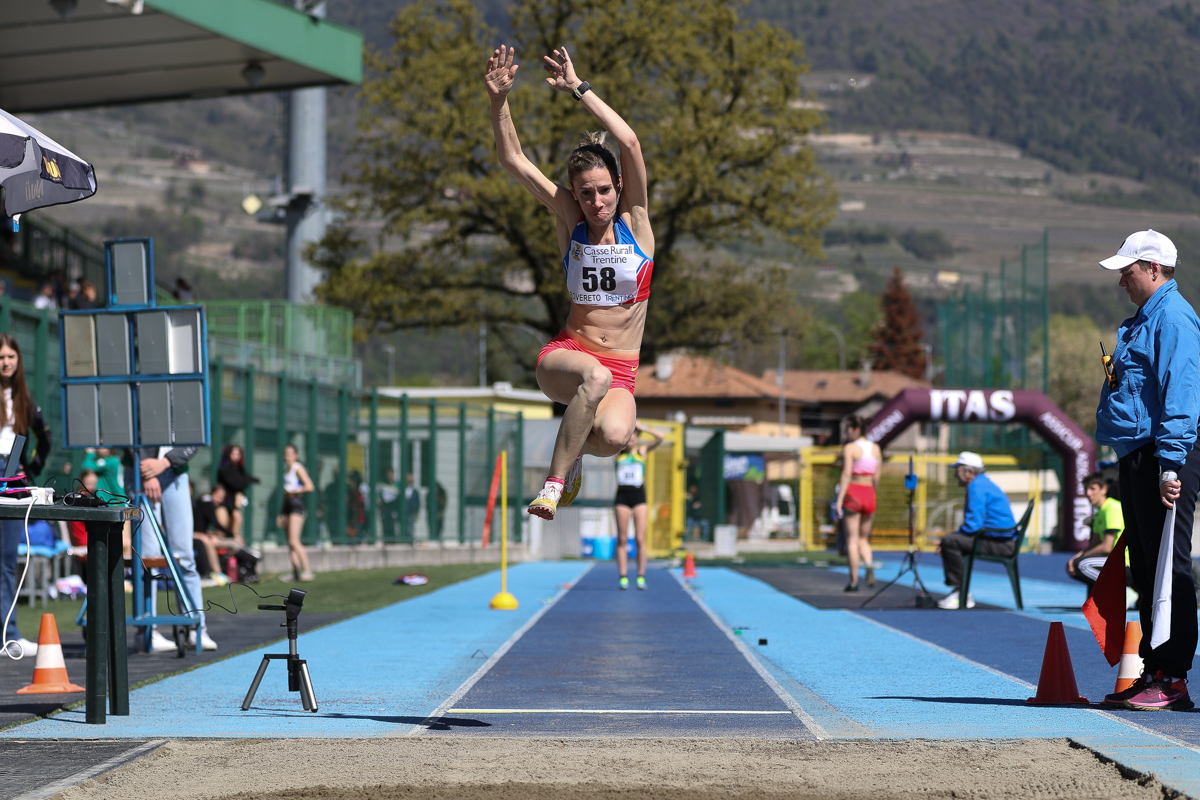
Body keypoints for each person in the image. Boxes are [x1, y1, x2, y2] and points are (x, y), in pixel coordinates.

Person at [485, 44, 653, 521]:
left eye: (604, 190)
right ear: (574, 195)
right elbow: (514, 159)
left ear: (618, 185)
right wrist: (499, 101)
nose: (596, 202)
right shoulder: (570, 219)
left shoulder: (636, 223)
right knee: (593, 376)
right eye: (585, 194)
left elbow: (630, 141)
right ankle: (553, 485)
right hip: (568, 355)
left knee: (617, 436)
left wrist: (579, 88)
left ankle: (574, 452)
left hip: (622, 370)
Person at [1094, 230, 1200, 712]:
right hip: (1139, 453)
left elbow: (1182, 394)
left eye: (1128, 271)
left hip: (1164, 455)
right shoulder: (1144, 321)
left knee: (1168, 569)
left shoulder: (1173, 318)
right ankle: (1154, 671)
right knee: (1147, 567)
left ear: (1154, 269)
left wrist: (1170, 463)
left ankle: (1173, 677)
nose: (1121, 281)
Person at [132, 442, 216, 652]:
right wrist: (148, 472)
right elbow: (128, 433)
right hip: (140, 471)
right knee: (148, 558)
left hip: (175, 472)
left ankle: (196, 627)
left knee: (184, 555)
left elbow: (195, 437)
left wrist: (166, 462)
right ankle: (146, 631)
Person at [0, 334, 51, 658]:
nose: (5, 362)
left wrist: (30, 468)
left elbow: (45, 439)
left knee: (6, 559)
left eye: (10, 357)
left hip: (11, 476)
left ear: (18, 360)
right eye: (0, 357)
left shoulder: (25, 400)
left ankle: (8, 635)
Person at [935, 452, 1017, 610]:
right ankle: (961, 590)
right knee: (951, 540)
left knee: (949, 541)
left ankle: (962, 593)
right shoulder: (983, 483)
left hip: (1002, 544)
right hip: (1003, 541)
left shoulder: (976, 487)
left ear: (969, 472)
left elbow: (973, 525)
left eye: (957, 470)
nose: (955, 475)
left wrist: (949, 540)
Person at [614, 424, 664, 590]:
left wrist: (643, 427)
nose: (631, 439)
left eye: (634, 436)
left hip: (639, 496)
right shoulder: (618, 452)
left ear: (637, 438)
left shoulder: (642, 451)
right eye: (628, 436)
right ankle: (623, 576)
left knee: (640, 539)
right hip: (622, 496)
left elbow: (661, 437)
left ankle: (641, 576)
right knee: (622, 539)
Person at [834, 416, 881, 592]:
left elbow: (847, 474)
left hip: (854, 491)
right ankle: (868, 564)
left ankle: (854, 582)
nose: (847, 432)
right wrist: (872, 495)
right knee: (864, 539)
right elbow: (877, 477)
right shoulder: (876, 448)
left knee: (852, 541)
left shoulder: (850, 448)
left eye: (848, 428)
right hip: (869, 493)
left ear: (856, 429)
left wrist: (839, 500)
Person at [1066, 473, 1131, 599]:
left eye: (1092, 489)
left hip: (1126, 562)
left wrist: (1081, 558)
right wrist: (1076, 557)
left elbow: (1106, 547)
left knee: (1082, 565)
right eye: (1086, 489)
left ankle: (1124, 589)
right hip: (1112, 560)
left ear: (1104, 489)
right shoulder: (1099, 512)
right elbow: (1094, 544)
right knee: (1075, 563)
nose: (1088, 493)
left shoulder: (1111, 508)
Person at [277, 444, 314, 581]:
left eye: (291, 454)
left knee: (294, 541)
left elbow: (309, 486)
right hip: (288, 507)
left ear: (296, 455)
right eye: (286, 454)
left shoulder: (298, 468)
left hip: (297, 506)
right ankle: (295, 572)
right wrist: (282, 513)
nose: (288, 457)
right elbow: (285, 495)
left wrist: (296, 491)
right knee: (290, 543)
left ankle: (307, 571)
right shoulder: (286, 471)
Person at [216, 444, 256, 545]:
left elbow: (245, 480)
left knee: (237, 518)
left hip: (234, 503)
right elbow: (236, 484)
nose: (236, 457)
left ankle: (232, 546)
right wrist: (244, 483)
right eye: (233, 454)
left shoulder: (240, 470)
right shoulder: (224, 469)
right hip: (224, 502)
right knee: (222, 528)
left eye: (238, 454)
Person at [404, 472, 421, 542]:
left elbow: (417, 503)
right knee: (403, 527)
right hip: (403, 512)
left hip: (411, 512)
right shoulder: (403, 490)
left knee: (410, 528)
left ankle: (410, 541)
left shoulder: (414, 491)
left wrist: (416, 513)